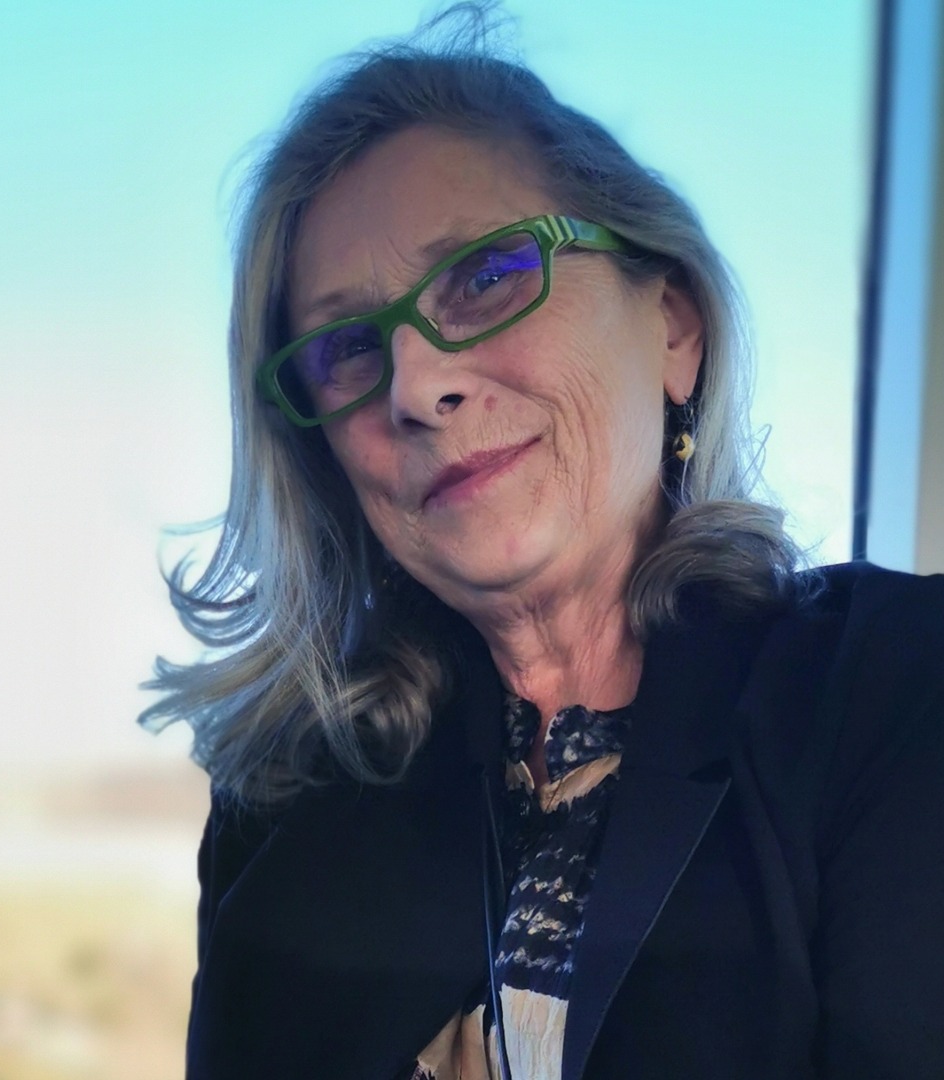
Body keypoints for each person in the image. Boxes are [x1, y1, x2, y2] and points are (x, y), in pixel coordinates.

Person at [141, 8, 944, 1078]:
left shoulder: (899, 686)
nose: (418, 385)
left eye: (485, 277)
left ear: (673, 324)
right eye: (347, 349)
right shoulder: (284, 798)